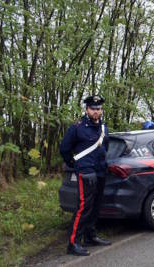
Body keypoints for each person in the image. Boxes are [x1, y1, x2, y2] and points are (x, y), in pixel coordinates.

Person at [59, 95, 112, 256]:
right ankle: (73, 243)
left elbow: (105, 147)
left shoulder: (103, 127)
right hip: (86, 172)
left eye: (99, 109)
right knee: (84, 207)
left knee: (96, 206)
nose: (97, 112)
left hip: (100, 171)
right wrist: (76, 165)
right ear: (87, 109)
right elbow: (64, 149)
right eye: (93, 109)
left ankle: (90, 236)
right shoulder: (77, 127)